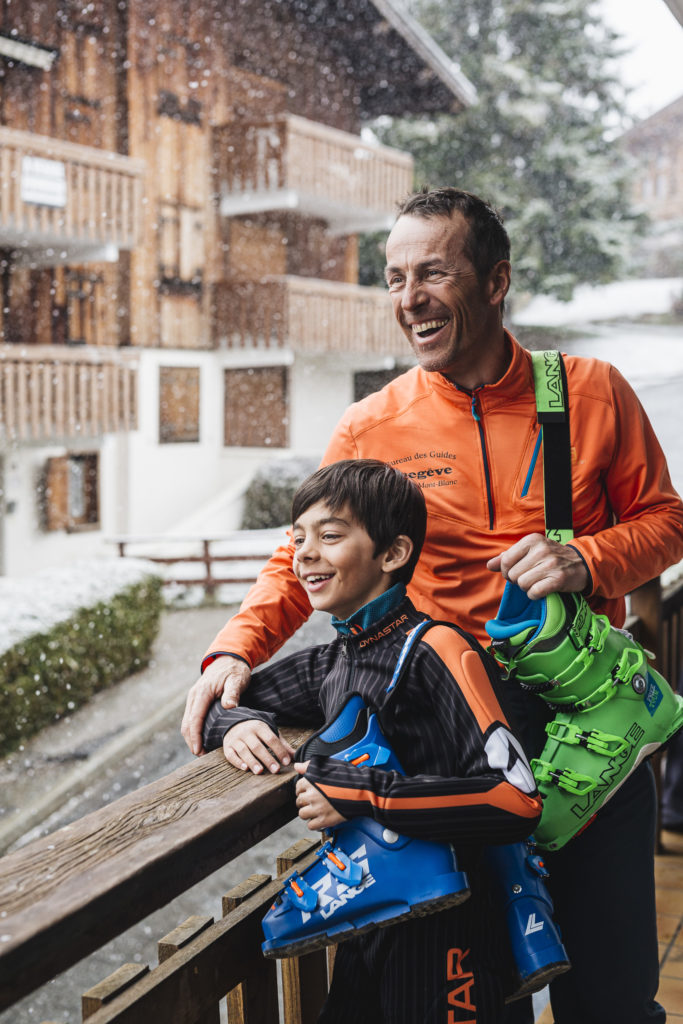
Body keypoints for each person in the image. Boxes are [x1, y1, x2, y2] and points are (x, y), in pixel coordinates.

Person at [183, 186, 683, 1023]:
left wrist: (586, 557)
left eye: (432, 273)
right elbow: (294, 556)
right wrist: (234, 652)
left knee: (613, 998)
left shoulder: (590, 390)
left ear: (495, 281)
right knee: (480, 1000)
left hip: (588, 741)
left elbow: (666, 522)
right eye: (392, 278)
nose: (407, 299)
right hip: (448, 752)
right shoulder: (369, 427)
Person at [202, 458, 543, 1022]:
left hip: (452, 933)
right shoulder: (336, 658)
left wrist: (364, 792)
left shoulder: (437, 650)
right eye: (298, 539)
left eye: (329, 536)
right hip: (371, 918)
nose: (304, 554)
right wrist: (236, 726)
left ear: (393, 554)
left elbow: (515, 799)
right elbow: (221, 697)